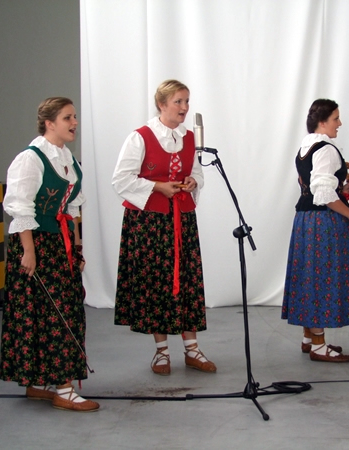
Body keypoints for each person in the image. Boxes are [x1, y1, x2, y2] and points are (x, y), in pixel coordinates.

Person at [0, 97, 99, 412]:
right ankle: (63, 388)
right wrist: (28, 252)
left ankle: (39, 382)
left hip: (60, 244)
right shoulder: (31, 159)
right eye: (68, 117)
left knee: (62, 310)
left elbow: (72, 209)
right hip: (36, 243)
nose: (74, 123)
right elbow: (20, 207)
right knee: (52, 315)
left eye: (75, 117)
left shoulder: (68, 159)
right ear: (49, 123)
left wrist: (77, 248)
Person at [112, 79, 215, 375]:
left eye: (187, 101)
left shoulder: (189, 138)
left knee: (187, 280)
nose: (184, 107)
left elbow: (196, 172)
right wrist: (158, 186)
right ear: (161, 104)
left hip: (181, 218)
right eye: (178, 102)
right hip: (150, 222)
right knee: (156, 283)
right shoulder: (140, 137)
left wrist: (193, 181)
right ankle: (161, 352)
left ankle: (192, 349)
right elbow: (121, 179)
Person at [281, 98, 349, 362]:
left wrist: (343, 189)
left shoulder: (305, 147)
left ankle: (309, 338)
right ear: (322, 122)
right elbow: (324, 194)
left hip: (305, 220)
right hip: (323, 224)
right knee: (321, 278)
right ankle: (318, 346)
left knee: (309, 276)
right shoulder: (326, 149)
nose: (340, 123)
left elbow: (314, 187)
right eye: (336, 119)